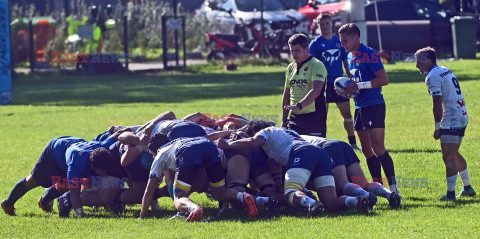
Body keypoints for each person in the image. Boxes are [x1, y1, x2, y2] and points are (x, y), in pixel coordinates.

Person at [216, 121, 370, 216]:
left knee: (290, 192)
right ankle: (357, 201)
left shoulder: (265, 132)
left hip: (301, 153)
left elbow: (252, 142)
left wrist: (228, 145)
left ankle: (310, 203)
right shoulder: (285, 133)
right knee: (330, 202)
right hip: (320, 153)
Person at [338, 23, 399, 194]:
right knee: (366, 150)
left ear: (356, 38)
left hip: (373, 105)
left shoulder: (370, 54)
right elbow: (355, 83)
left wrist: (359, 86)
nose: (343, 44)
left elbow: (383, 79)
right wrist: (348, 90)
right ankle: (377, 187)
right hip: (359, 106)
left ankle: (394, 188)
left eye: (345, 40)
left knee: (378, 147)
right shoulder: (350, 57)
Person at [140, 135, 258, 221]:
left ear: (154, 151)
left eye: (152, 154)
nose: (153, 157)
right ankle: (243, 196)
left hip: (187, 150)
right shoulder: (178, 140)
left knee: (179, 197)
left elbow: (149, 189)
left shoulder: (159, 155)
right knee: (220, 192)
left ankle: (194, 208)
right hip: (208, 146)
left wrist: (143, 216)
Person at [414, 47, 476, 200]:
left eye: (419, 61)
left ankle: (450, 195)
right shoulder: (444, 69)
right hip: (462, 115)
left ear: (429, 60)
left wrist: (437, 127)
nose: (417, 65)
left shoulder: (432, 77)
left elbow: (436, 104)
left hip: (451, 118)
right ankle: (467, 187)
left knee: (448, 156)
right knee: (453, 153)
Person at [301, 135, 401, 208]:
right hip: (343, 145)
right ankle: (389, 194)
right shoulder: (295, 136)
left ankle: (367, 196)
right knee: (363, 184)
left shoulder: (289, 144)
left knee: (342, 184)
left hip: (329, 148)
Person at [309, 14, 359, 150]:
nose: (325, 26)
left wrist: (351, 79)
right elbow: (310, 65)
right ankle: (321, 143)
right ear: (318, 26)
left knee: (347, 114)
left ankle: (353, 142)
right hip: (322, 84)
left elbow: (346, 63)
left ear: (331, 24)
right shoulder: (315, 44)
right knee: (321, 116)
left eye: (327, 23)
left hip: (339, 83)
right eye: (322, 24)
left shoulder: (339, 42)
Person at [1, 136, 86, 216]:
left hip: (69, 156)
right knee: (33, 181)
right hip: (55, 151)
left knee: (66, 184)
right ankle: (7, 204)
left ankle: (44, 202)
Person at [282, 34, 328, 138]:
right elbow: (286, 94)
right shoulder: (290, 68)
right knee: (294, 149)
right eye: (291, 51)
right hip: (295, 117)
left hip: (314, 117)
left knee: (315, 151)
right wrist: (284, 120)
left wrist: (299, 105)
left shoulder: (317, 65)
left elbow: (316, 91)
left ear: (306, 49)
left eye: (297, 50)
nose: (294, 54)